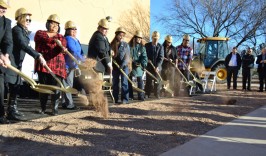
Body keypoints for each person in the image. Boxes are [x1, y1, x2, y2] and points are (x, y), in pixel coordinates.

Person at [5, 8, 47, 120]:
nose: (28, 21)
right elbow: (23, 45)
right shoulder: (17, 30)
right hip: (12, 62)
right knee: (13, 86)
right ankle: (10, 111)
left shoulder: (23, 31)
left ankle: (12, 109)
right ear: (20, 18)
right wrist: (37, 55)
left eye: (30, 20)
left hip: (17, 62)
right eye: (26, 19)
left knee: (16, 86)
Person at [34, 14, 67, 115]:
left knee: (56, 88)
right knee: (43, 88)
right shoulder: (40, 33)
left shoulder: (61, 37)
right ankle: (43, 108)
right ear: (47, 24)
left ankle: (54, 109)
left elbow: (63, 45)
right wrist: (54, 37)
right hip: (43, 65)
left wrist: (63, 48)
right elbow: (45, 38)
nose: (55, 26)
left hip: (57, 66)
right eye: (52, 23)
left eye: (57, 24)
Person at [62, 20, 84, 109]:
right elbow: (73, 51)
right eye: (72, 29)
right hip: (67, 65)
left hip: (73, 66)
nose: (74, 31)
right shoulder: (68, 39)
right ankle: (69, 104)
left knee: (68, 84)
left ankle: (65, 102)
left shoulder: (77, 39)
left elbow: (81, 51)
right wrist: (82, 59)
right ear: (67, 30)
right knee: (68, 84)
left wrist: (83, 57)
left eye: (75, 29)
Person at [110, 27, 130, 104]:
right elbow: (110, 54)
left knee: (124, 82)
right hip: (115, 66)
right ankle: (115, 98)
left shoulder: (125, 45)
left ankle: (125, 99)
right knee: (115, 83)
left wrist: (122, 65)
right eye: (120, 35)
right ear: (116, 35)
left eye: (122, 35)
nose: (121, 37)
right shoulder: (112, 44)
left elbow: (127, 57)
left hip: (124, 67)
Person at [0, 0, 12, 124]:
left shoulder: (6, 22)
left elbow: (8, 41)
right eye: (0, 7)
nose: (3, 10)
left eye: (5, 8)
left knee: (0, 89)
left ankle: (0, 116)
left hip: (1, 64)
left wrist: (6, 55)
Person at [128, 30, 147, 101]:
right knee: (129, 80)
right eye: (138, 38)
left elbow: (144, 57)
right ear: (135, 38)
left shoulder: (142, 48)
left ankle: (140, 95)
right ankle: (130, 95)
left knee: (140, 80)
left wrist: (143, 64)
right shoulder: (129, 46)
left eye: (140, 38)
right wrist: (132, 62)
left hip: (139, 66)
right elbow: (128, 56)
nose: (139, 39)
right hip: (131, 66)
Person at [145, 31, 164, 99]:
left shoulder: (160, 47)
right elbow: (144, 55)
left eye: (157, 39)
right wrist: (147, 59)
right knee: (148, 81)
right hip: (149, 66)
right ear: (152, 38)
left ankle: (157, 94)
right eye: (154, 39)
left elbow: (161, 57)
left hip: (157, 67)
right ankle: (147, 93)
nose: (155, 40)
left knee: (157, 81)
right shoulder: (147, 45)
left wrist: (158, 66)